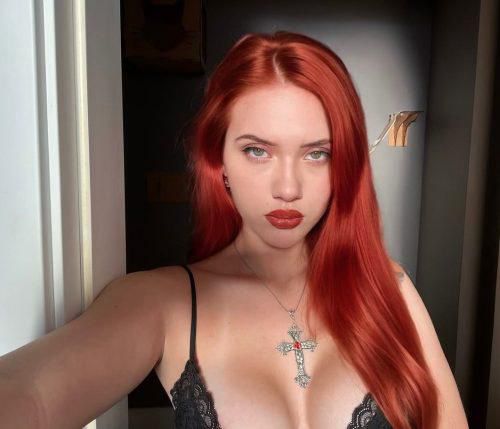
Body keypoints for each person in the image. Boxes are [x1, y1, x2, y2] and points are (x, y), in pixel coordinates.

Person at [0, 31, 468, 429]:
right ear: (218, 160)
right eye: (257, 151)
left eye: (316, 153)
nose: (288, 188)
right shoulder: (164, 304)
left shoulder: (390, 288)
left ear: (343, 166)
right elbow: (30, 394)